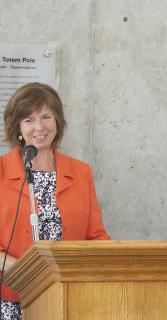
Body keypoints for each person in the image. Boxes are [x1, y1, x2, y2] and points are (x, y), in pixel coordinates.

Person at [0, 82, 110, 319]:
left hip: (72, 297)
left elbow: (96, 237)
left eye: (46, 117)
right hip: (14, 301)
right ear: (17, 127)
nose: (39, 127)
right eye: (28, 120)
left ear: (57, 121)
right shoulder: (0, 172)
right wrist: (31, 272)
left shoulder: (81, 172)